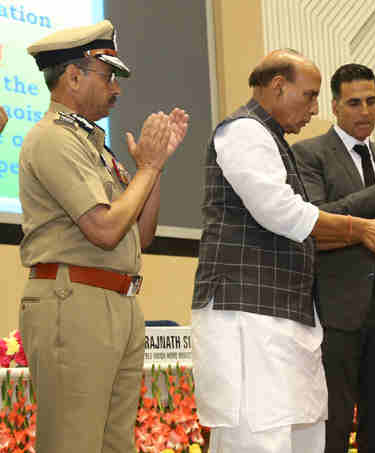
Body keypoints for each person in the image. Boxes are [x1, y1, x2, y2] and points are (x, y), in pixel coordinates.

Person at [191, 51, 375, 453]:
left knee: (302, 436)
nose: (314, 109)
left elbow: (302, 228)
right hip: (248, 313)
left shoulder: (273, 139)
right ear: (278, 87)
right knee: (257, 439)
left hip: (283, 314)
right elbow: (282, 213)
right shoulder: (244, 131)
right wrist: (360, 228)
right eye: (309, 97)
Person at [18, 20, 189, 453]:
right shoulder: (53, 139)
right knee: (73, 444)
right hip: (74, 303)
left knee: (116, 444)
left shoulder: (93, 144)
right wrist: (145, 170)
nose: (117, 89)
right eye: (107, 76)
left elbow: (141, 235)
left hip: (116, 303)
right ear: (73, 76)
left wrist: (156, 169)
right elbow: (105, 229)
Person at [292, 63, 375, 453]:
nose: (365, 110)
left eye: (371, 101)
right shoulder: (308, 154)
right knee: (331, 423)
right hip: (332, 310)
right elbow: (317, 219)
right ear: (334, 106)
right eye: (354, 103)